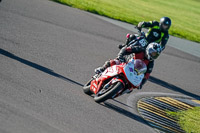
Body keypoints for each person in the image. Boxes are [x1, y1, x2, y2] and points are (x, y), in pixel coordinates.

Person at [95, 42, 162, 89]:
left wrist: (141, 84)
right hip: (125, 63)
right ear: (149, 50)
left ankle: (117, 90)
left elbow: (147, 75)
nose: (153, 55)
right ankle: (102, 69)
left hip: (134, 73)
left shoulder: (151, 63)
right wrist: (120, 56)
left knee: (131, 88)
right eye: (153, 53)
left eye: (155, 55)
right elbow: (126, 49)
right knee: (113, 62)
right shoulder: (140, 49)